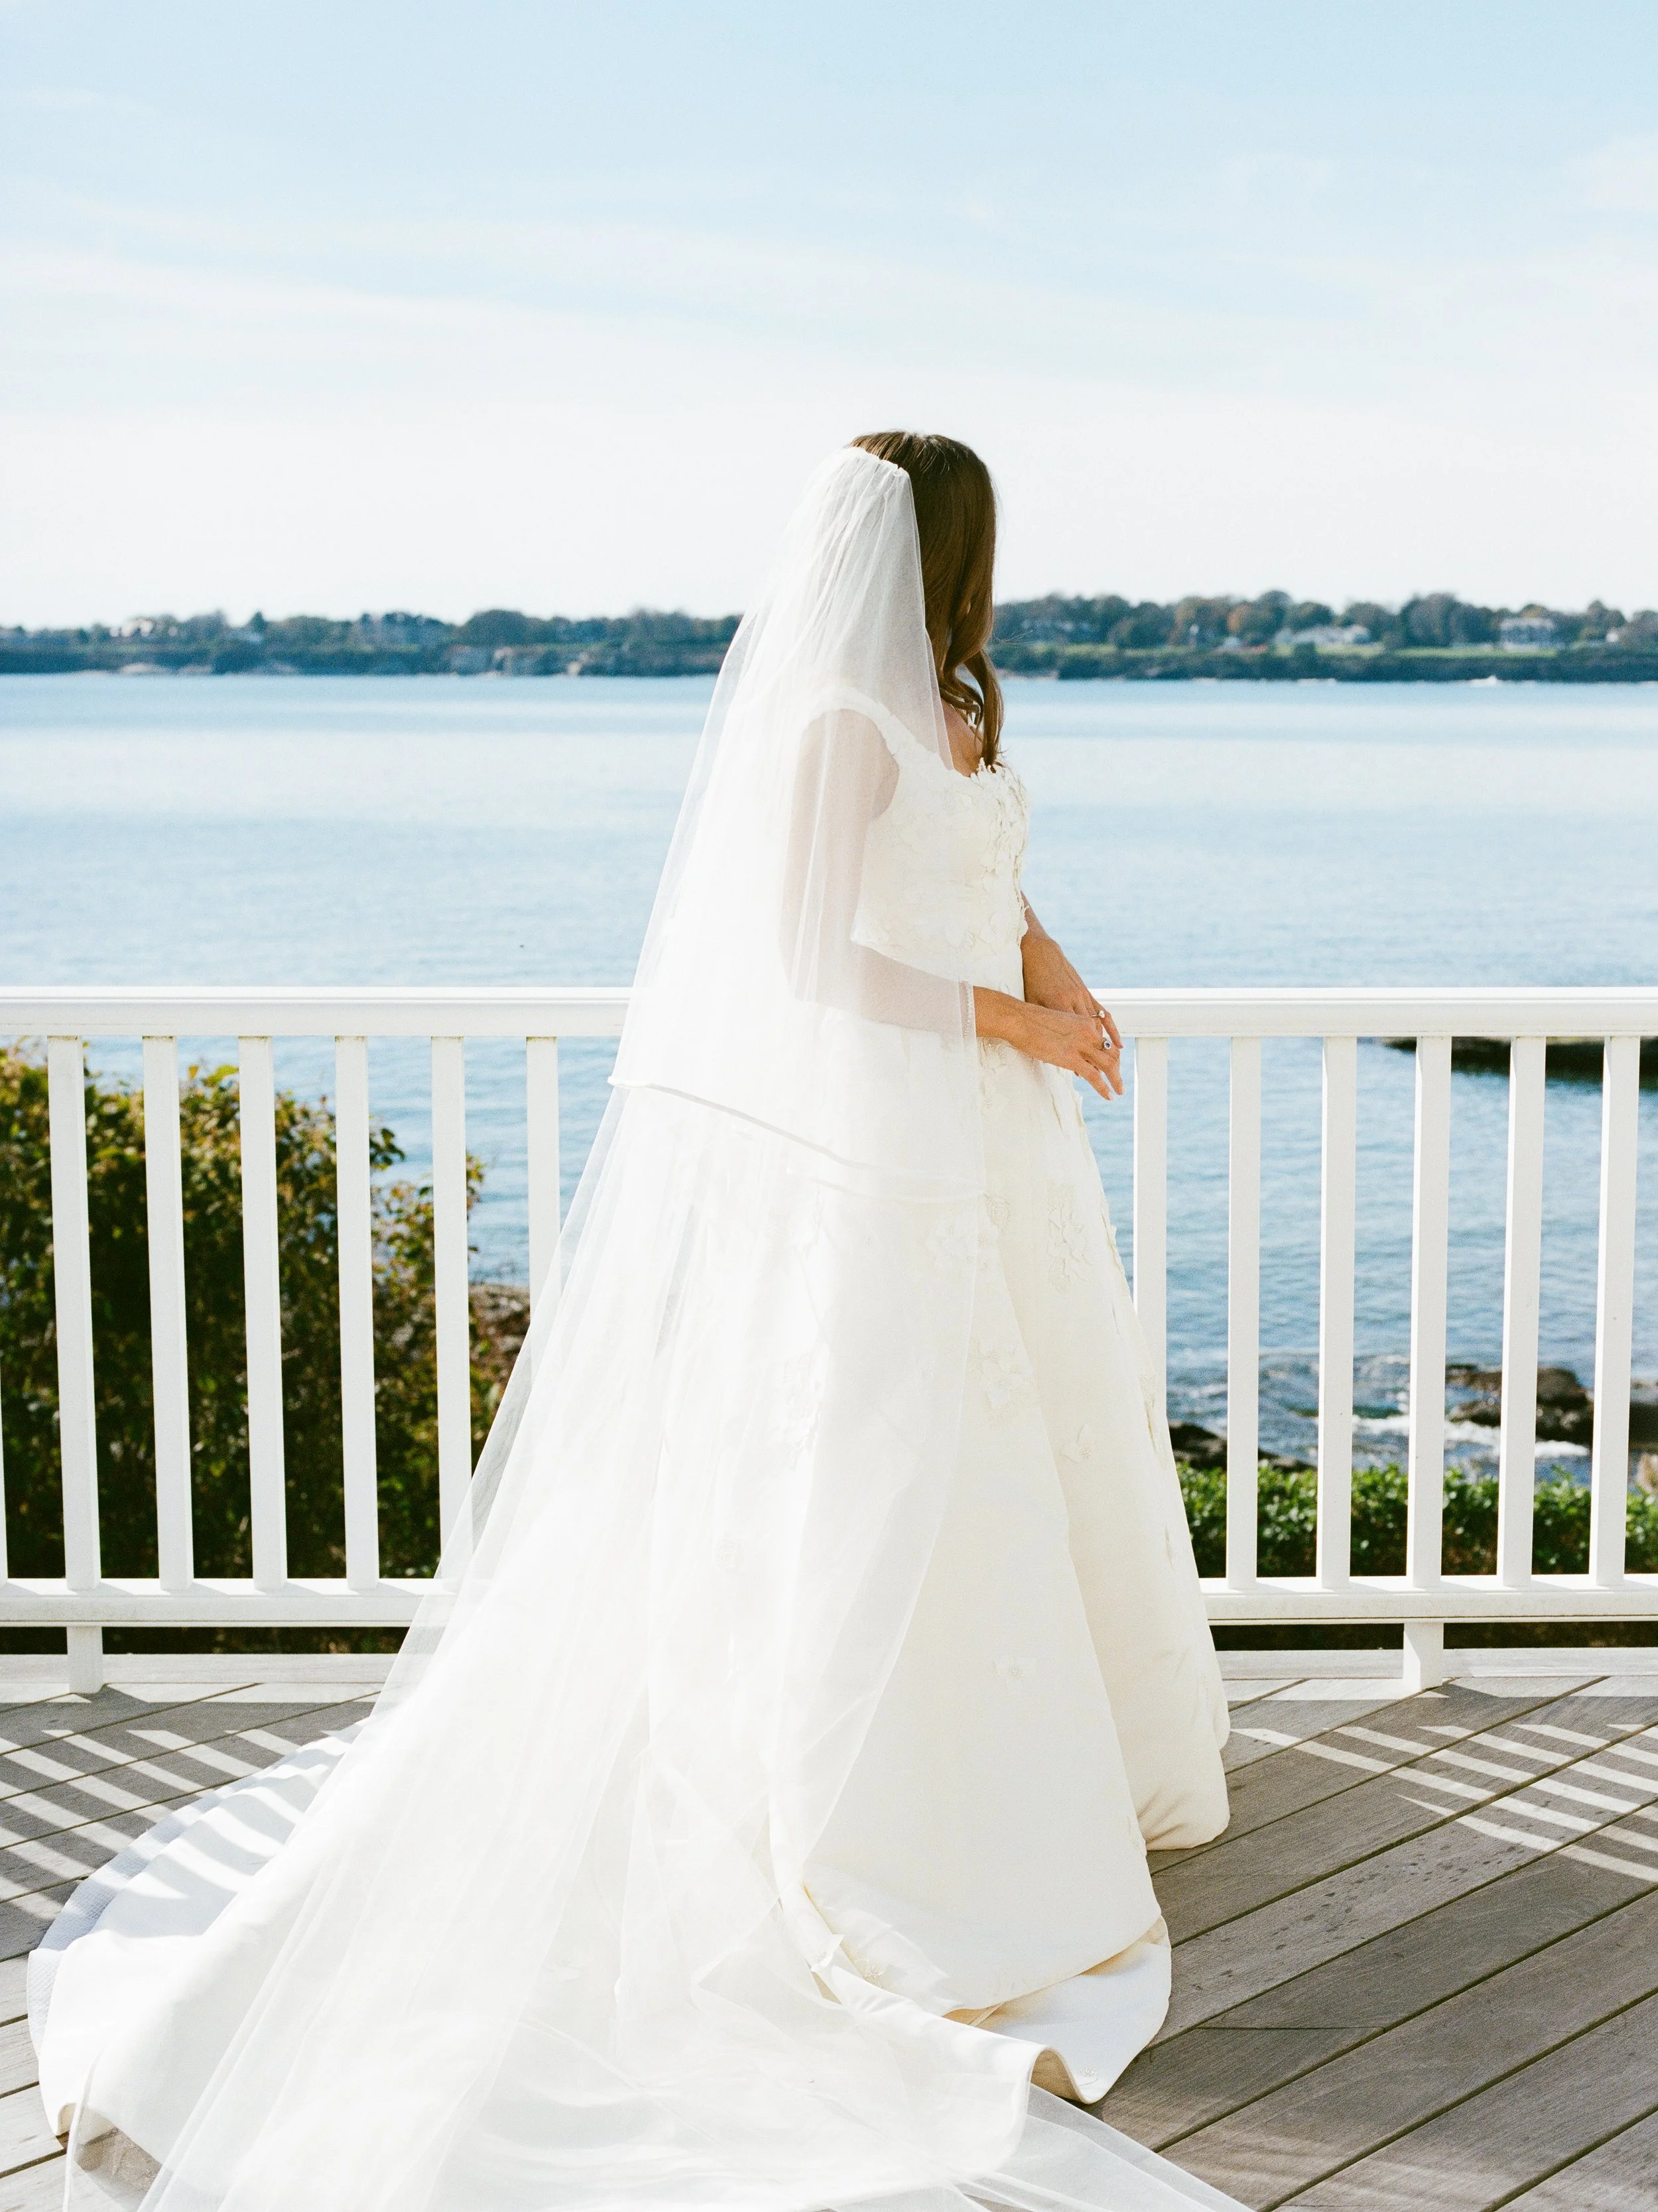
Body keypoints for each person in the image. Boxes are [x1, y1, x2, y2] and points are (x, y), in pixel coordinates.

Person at [34, 435, 1231, 2212]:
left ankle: (1051, 1767)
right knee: (893, 1474)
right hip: (894, 1159)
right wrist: (1011, 1022)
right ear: (948, 547)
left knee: (1022, 1453)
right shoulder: (835, 721)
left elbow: (984, 869)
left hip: (999, 1154)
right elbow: (803, 962)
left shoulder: (959, 703)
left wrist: (1059, 981)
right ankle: (884, 1818)